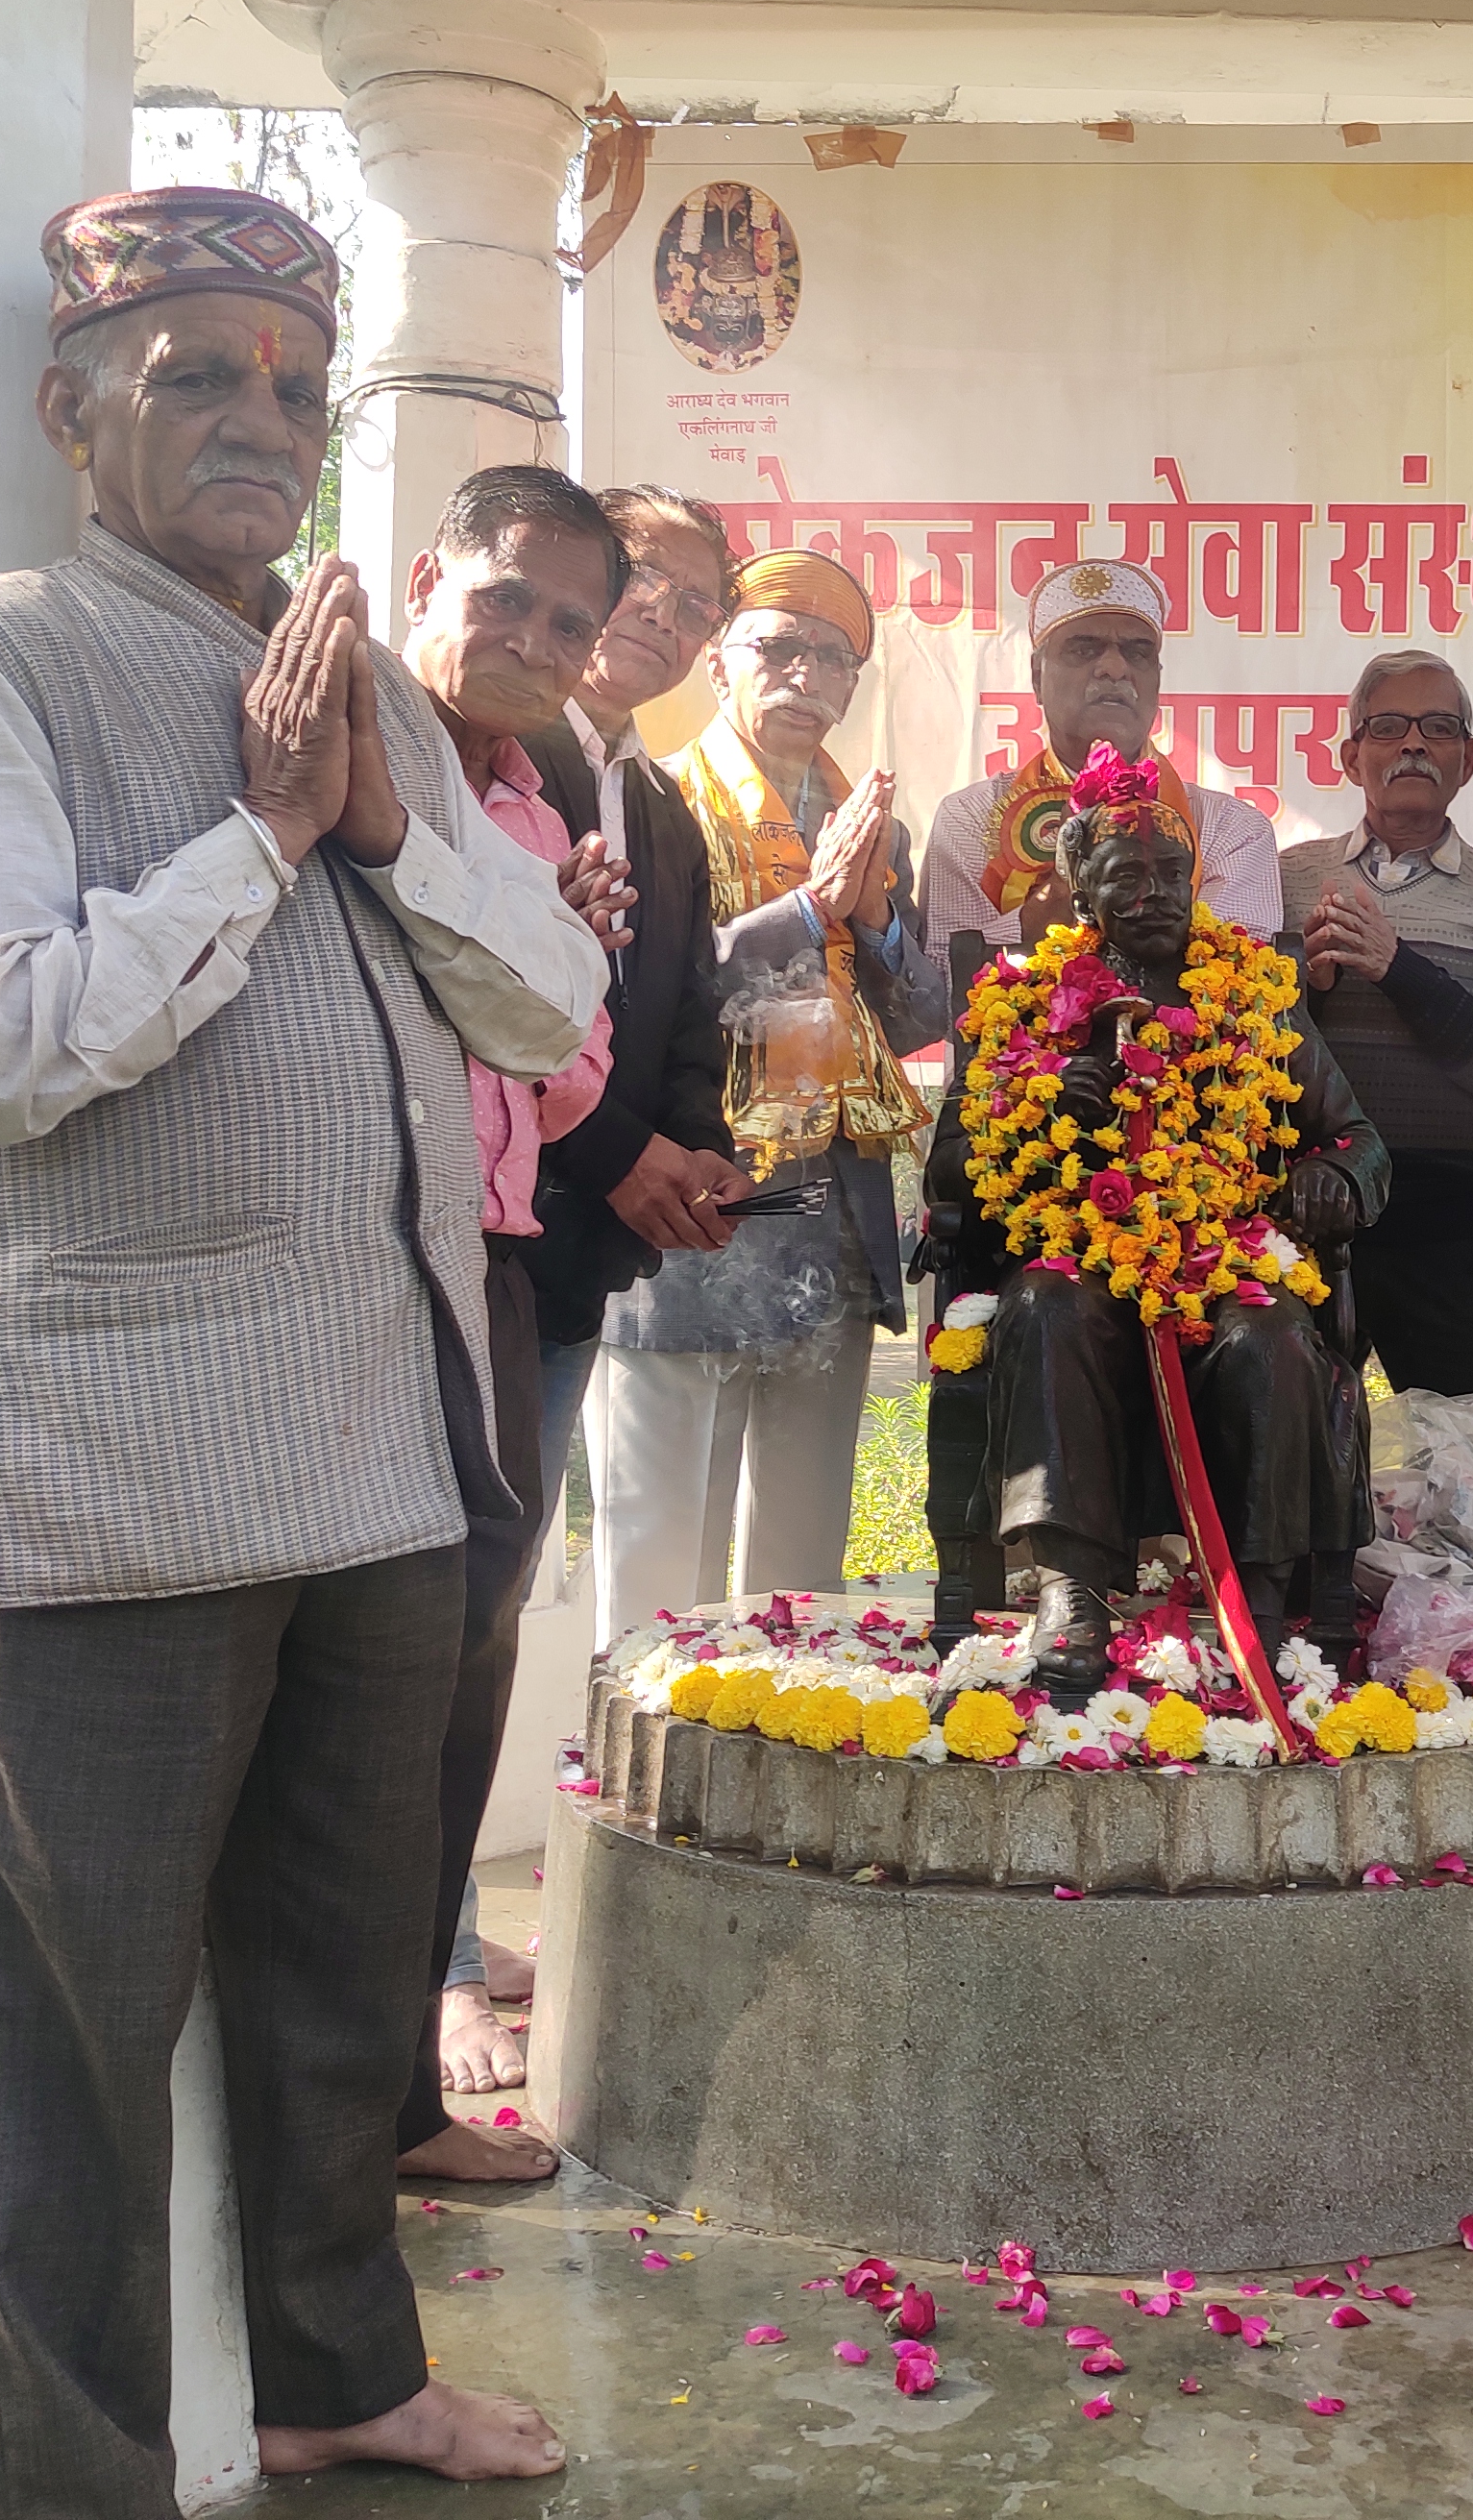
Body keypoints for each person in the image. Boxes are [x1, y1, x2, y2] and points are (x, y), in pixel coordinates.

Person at [0, 185, 599, 2508]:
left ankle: (336, 2374)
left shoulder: (367, 690)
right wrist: (264, 845)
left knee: (339, 1979)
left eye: (293, 381)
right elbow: (7, 1037)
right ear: (74, 414)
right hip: (111, 1472)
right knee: (61, 2046)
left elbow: (554, 1008)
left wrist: (384, 826)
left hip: (384, 1448)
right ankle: (59, 2479)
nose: (259, 422)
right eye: (196, 377)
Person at [923, 749, 1387, 1694]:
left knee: (1270, 1337)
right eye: (1125, 876)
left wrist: (1334, 1178)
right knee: (1048, 1306)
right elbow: (947, 1181)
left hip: (1227, 1262)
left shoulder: (1259, 993)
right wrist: (1047, 1101)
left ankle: (1256, 1599)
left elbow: (1356, 1140)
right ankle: (1069, 1589)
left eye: (1171, 874)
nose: (1155, 894)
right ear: (1076, 886)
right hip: (1081, 1262)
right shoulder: (1016, 1001)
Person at [388, 463, 628, 2180]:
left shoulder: (542, 816)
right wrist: (533, 965)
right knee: (369, 1670)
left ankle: (402, 2091)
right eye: (507, 599)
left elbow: (555, 1082)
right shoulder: (362, 751)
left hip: (493, 1261)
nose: (533, 642)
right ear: (429, 574)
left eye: (570, 623)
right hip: (358, 1255)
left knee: (470, 1654)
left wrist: (571, 963)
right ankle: (366, 2085)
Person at [589, 546, 944, 1626]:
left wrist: (870, 912)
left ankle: (785, 1745)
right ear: (721, 663)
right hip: (697, 1195)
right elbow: (647, 991)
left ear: (851, 688)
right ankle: (641, 1756)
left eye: (830, 657)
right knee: (663, 1556)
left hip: (830, 1214)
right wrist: (807, 913)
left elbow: (922, 1017)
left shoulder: (871, 824)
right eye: (775, 647)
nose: (803, 673)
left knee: (801, 1559)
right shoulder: (649, 799)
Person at [515, 484, 751, 1622]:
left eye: (697, 606)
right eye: (644, 578)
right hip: (484, 1242)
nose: (665, 614)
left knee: (491, 1599)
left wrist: (697, 1148)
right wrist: (621, 1152)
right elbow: (478, 999)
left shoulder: (662, 803)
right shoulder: (495, 754)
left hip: (584, 1254)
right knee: (451, 1602)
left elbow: (689, 1007)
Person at [1279, 648, 1473, 1399]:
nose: (1413, 745)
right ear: (1349, 754)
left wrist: (1398, 968)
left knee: (1453, 1454)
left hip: (1447, 1208)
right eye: (1389, 726)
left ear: (1467, 759)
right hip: (1303, 1195)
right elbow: (1236, 1052)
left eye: (1438, 728)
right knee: (1293, 1444)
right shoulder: (1281, 878)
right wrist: (1305, 984)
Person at [925, 554, 1282, 949]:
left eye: (1138, 652)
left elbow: (1238, 985)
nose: (1114, 668)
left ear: (1157, 680)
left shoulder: (1231, 832)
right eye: (1083, 650)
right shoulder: (970, 820)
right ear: (1037, 677)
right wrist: (1051, 905)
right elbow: (944, 981)